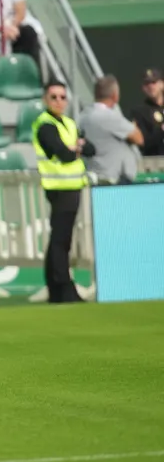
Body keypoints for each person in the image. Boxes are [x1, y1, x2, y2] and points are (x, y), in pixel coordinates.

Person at [31, 82, 92, 304]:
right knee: (61, 239)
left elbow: (90, 148)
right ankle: (63, 288)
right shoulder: (45, 125)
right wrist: (77, 149)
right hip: (59, 187)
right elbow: (63, 154)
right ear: (45, 99)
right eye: (54, 97)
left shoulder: (68, 122)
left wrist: (77, 149)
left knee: (59, 238)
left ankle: (55, 288)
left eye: (63, 97)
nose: (59, 101)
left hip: (71, 186)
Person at [78, 75, 144, 185]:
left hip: (93, 175)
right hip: (113, 179)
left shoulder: (83, 115)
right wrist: (134, 125)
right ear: (115, 96)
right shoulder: (110, 116)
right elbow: (139, 138)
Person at [132, 69, 164, 156]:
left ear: (162, 84)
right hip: (157, 163)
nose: (150, 86)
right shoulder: (140, 112)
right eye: (147, 84)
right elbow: (142, 142)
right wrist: (161, 131)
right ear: (143, 88)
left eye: (154, 82)